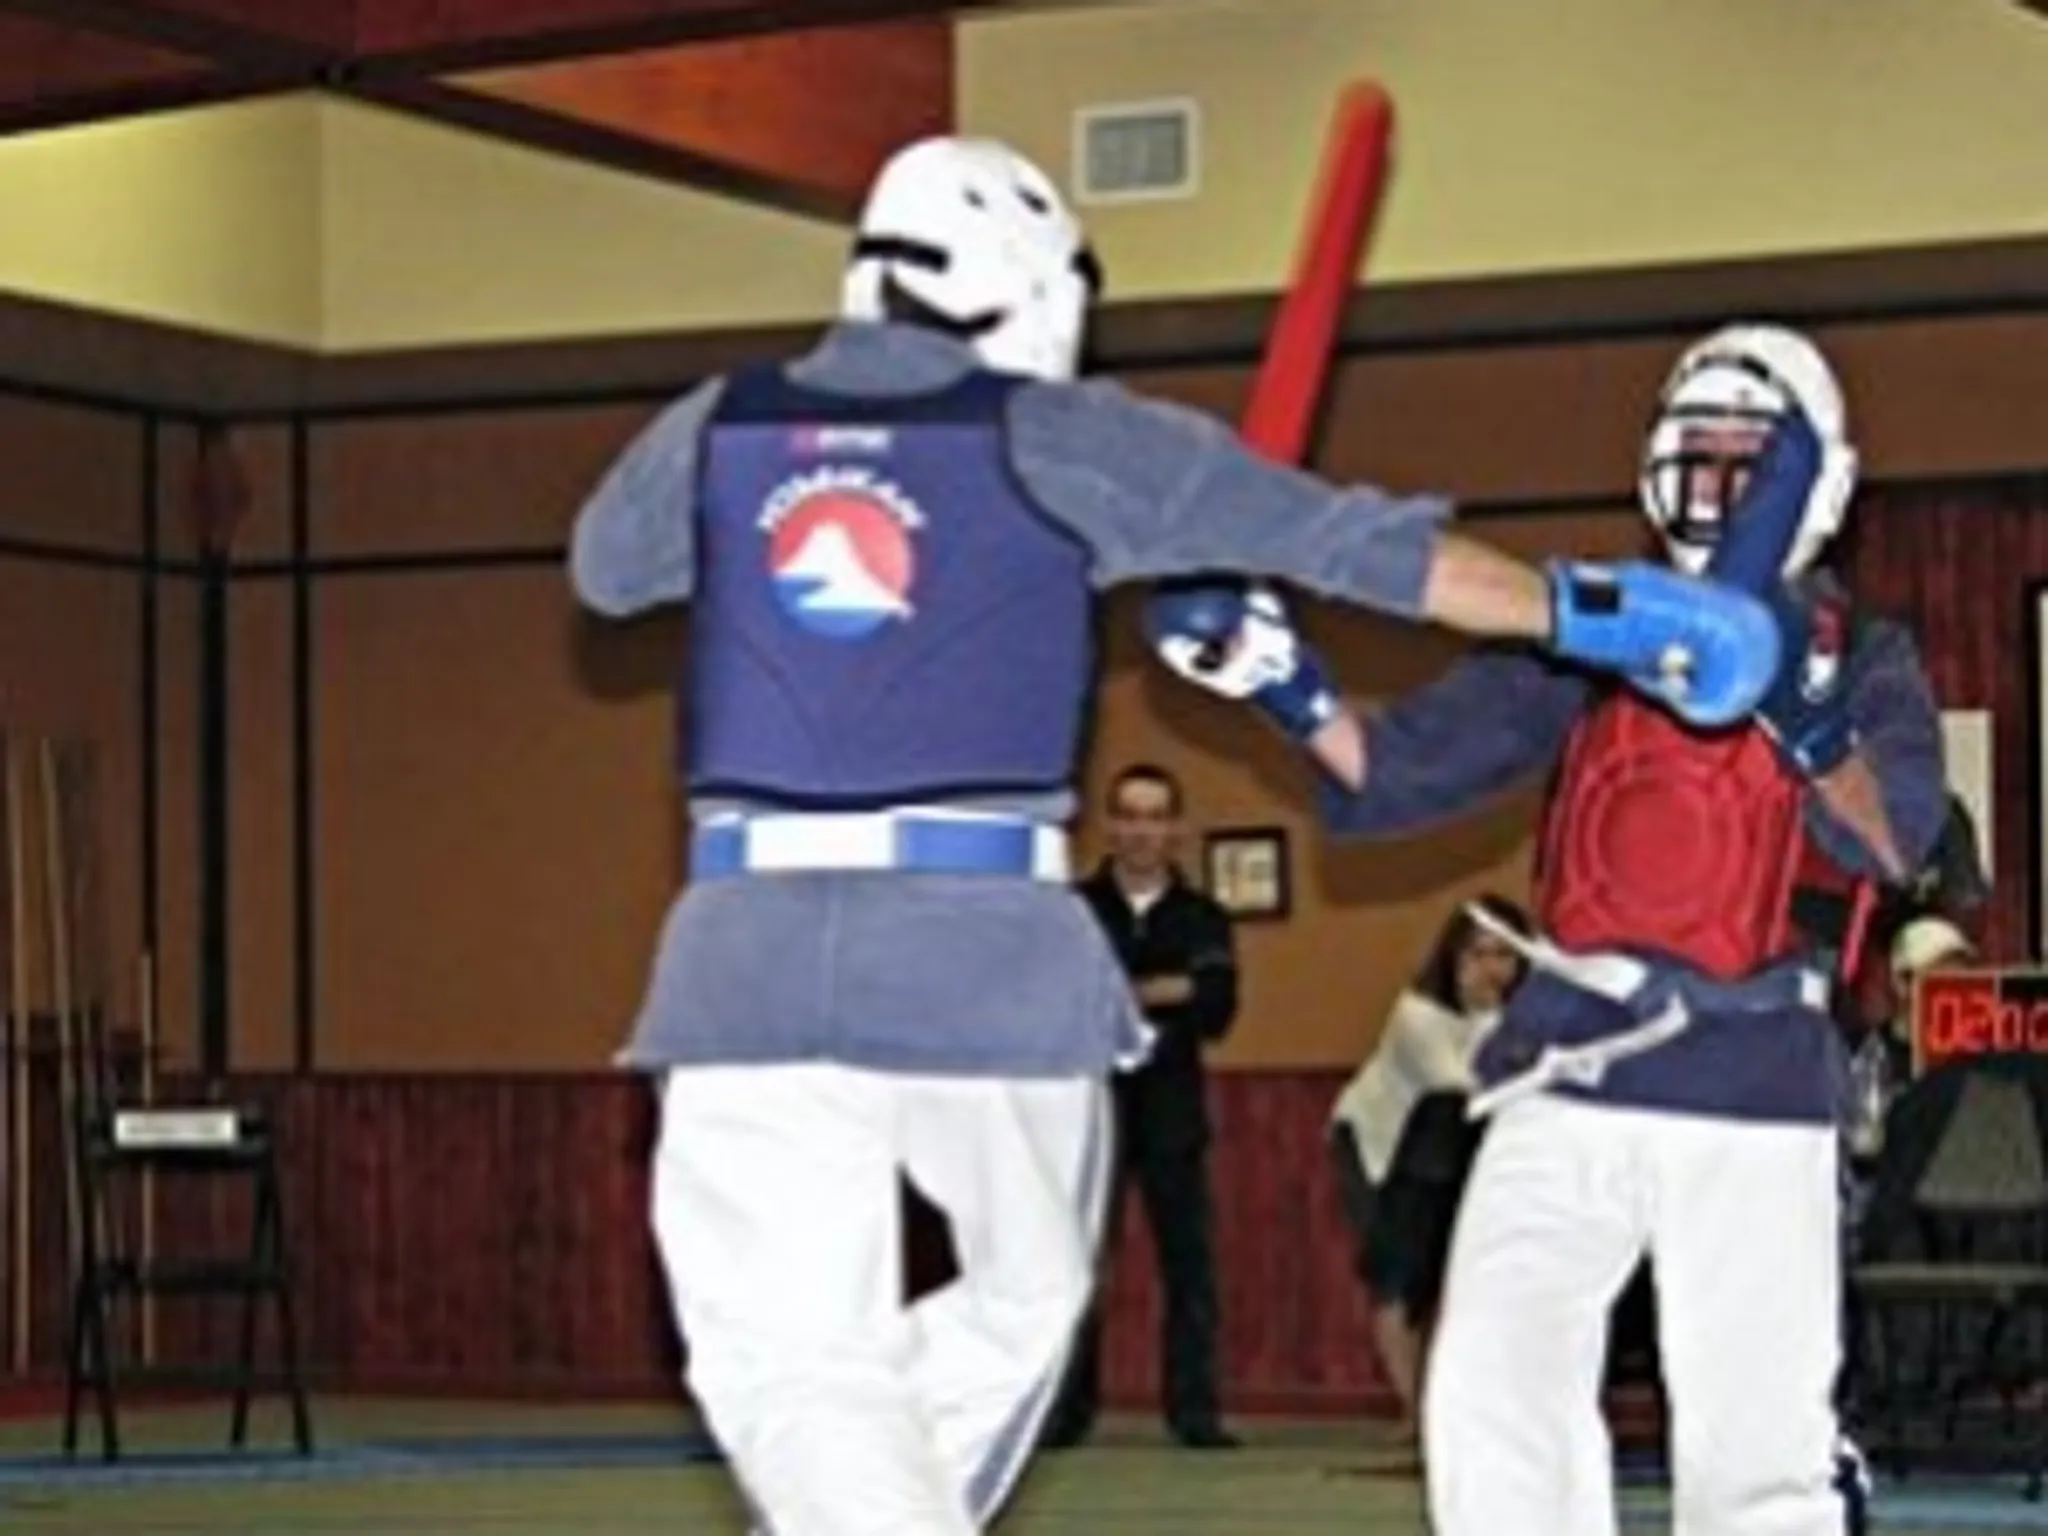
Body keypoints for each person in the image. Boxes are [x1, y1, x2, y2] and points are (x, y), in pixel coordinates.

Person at [567, 128, 1783, 1536]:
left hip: (741, 965)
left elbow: (609, 568)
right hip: (984, 967)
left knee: (792, 1363)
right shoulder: (1068, 435)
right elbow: (1367, 550)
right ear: (1034, 285)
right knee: (1019, 1298)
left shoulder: (718, 422)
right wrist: (1612, 615)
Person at [1149, 322, 1948, 1535]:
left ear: (1813, 484)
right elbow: (1389, 771)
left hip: (1756, 1078)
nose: (1722, 488)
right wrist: (1275, 676)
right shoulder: (1598, 640)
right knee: (1488, 1396)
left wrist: (1789, 704)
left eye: (1752, 460)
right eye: (1702, 454)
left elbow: (1898, 845)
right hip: (1568, 1056)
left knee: (1755, 1448)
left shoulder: (1866, 659)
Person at [1045, 763, 1240, 1450]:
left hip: (1172, 1114)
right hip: (1087, 1113)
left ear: (1176, 830)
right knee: (1074, 1266)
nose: (1142, 830)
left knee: (1189, 1267)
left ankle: (1194, 1412)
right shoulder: (1072, 910)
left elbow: (1218, 1008)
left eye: (1156, 816)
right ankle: (1065, 1412)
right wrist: (1167, 989)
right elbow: (1060, 1001)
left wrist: (1125, 990)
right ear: (1112, 824)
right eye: (1129, 814)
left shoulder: (1203, 916)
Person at [1329, 895, 1530, 1440]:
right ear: (1452, 956)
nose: (1491, 968)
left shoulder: (1522, 1019)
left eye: (1504, 955)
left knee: (1445, 1275)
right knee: (1395, 1277)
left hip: (1441, 1154)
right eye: (1478, 953)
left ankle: (1438, 1408)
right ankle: (1415, 1411)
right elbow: (1465, 1084)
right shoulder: (1417, 1014)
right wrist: (1489, 1017)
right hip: (1376, 1145)